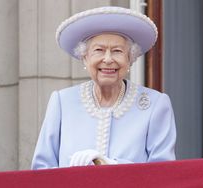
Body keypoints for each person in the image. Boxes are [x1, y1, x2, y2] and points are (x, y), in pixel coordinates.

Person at [31, 6, 176, 169]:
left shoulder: (155, 105)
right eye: (99, 50)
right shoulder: (62, 102)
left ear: (130, 59)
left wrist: (112, 165)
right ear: (85, 58)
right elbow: (41, 169)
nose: (108, 59)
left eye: (117, 51)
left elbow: (163, 172)